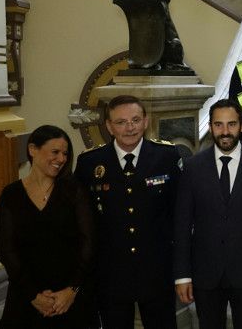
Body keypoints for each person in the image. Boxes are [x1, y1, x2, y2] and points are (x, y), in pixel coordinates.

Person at [74, 95, 182, 328]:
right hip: (111, 273)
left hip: (156, 271)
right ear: (109, 127)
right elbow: (83, 222)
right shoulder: (89, 163)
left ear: (146, 121)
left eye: (135, 120)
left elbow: (179, 214)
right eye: (121, 122)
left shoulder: (167, 156)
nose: (129, 128)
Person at [173, 99, 242, 329]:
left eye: (231, 124)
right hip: (205, 274)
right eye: (218, 125)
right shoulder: (193, 167)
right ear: (210, 127)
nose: (225, 131)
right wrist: (183, 275)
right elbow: (182, 225)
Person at [0, 125, 95, 329]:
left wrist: (72, 290)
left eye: (65, 153)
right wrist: (33, 296)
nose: (61, 159)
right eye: (55, 152)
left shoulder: (74, 191)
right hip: (25, 296)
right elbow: (7, 251)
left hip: (69, 297)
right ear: (32, 149)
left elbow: (89, 243)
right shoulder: (11, 194)